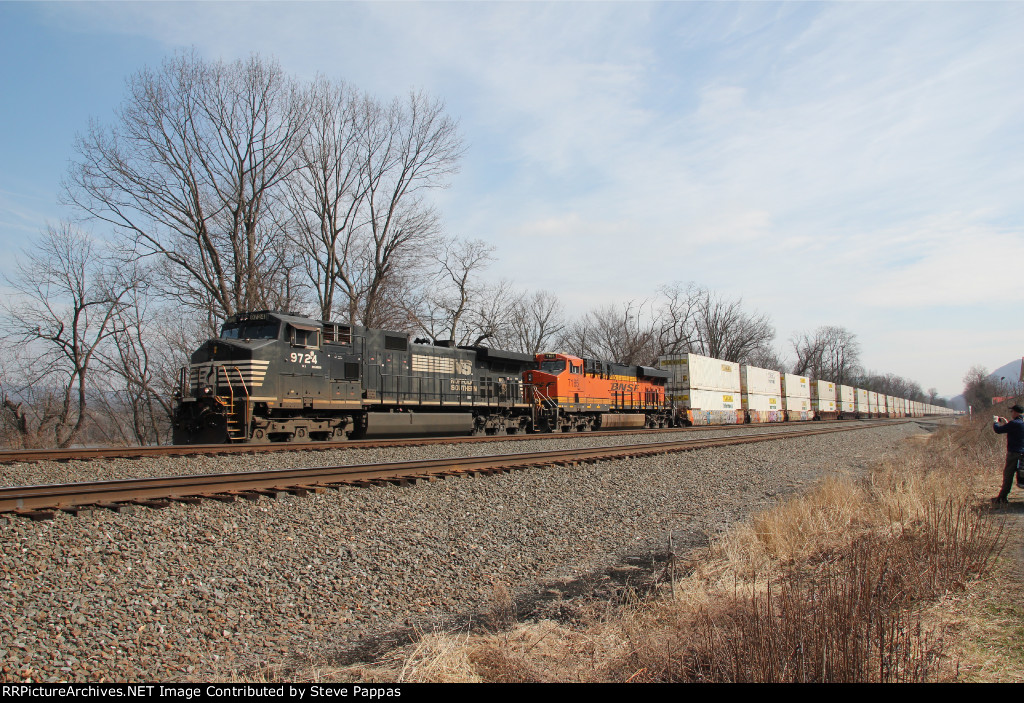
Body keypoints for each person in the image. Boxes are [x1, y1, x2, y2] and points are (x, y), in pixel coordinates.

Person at [992, 404, 1024, 504]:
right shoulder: (1021, 422)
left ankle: (1002, 498)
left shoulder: (1015, 423)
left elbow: (998, 430)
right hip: (1023, 453)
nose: (1011, 413)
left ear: (1015, 412)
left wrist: (995, 422)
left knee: (1008, 475)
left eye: (1012, 411)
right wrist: (1007, 423)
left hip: (1014, 453)